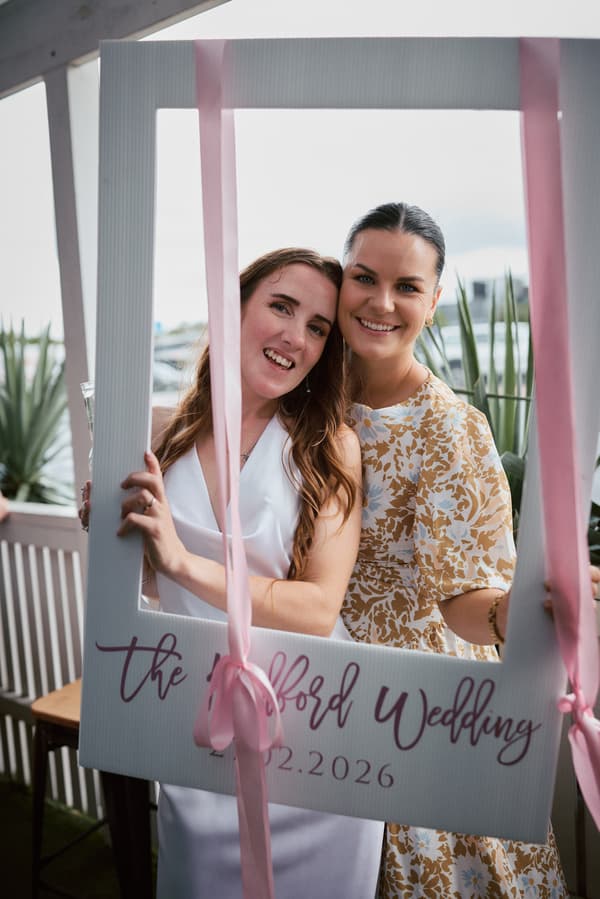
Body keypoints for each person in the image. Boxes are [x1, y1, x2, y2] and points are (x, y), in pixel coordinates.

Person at [114, 248, 384, 899]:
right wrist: (116, 536)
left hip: (314, 738)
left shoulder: (329, 447)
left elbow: (317, 608)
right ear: (231, 310)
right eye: (281, 307)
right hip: (198, 726)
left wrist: (181, 559)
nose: (295, 337)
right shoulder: (164, 435)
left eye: (317, 326)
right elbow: (159, 584)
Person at [337, 202, 571, 898]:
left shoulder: (450, 428)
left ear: (434, 303)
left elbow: (464, 602)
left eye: (407, 286)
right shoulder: (306, 396)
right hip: (315, 685)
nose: (382, 302)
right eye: (364, 277)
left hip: (418, 708)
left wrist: (511, 614)